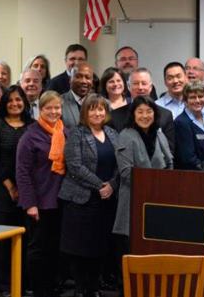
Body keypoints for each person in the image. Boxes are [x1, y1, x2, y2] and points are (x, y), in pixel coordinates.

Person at [57, 94, 119, 297]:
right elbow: (74, 166)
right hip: (81, 199)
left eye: (101, 109)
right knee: (79, 247)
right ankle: (81, 288)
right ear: (85, 112)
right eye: (92, 109)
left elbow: (121, 163)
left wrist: (111, 184)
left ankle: (94, 287)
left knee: (100, 246)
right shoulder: (77, 133)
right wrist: (100, 184)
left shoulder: (112, 133)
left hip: (106, 200)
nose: (97, 113)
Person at [15, 91, 66, 297]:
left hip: (61, 200)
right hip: (40, 201)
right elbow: (22, 172)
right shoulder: (30, 135)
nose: (54, 112)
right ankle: (37, 289)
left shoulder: (64, 131)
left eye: (57, 108)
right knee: (38, 249)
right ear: (40, 110)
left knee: (55, 247)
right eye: (49, 108)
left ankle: (52, 286)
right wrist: (30, 203)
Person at [0, 85, 33, 294]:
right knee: (3, 239)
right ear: (5, 103)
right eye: (10, 100)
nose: (15, 103)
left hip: (28, 189)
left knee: (25, 238)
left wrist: (25, 188)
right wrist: (11, 187)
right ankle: (4, 284)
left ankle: (21, 283)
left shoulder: (33, 126)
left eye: (19, 100)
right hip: (2, 189)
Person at [113, 95, 173, 245]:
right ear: (133, 114)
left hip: (159, 201)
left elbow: (169, 164)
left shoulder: (159, 135)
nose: (145, 116)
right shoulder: (126, 135)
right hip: (134, 200)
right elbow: (126, 173)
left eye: (149, 111)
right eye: (140, 112)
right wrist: (153, 185)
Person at [110, 68, 176, 153]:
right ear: (129, 87)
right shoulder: (115, 115)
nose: (140, 87)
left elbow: (169, 150)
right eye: (136, 84)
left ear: (151, 87)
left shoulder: (165, 115)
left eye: (144, 83)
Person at [174, 81, 204, 171]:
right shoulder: (181, 122)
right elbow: (188, 158)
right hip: (196, 178)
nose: (197, 100)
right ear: (185, 101)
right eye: (192, 97)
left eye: (200, 96)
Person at [62, 62, 95, 128]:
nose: (83, 81)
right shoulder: (59, 102)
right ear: (70, 79)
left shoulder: (103, 103)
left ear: (92, 81)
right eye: (78, 77)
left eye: (88, 77)